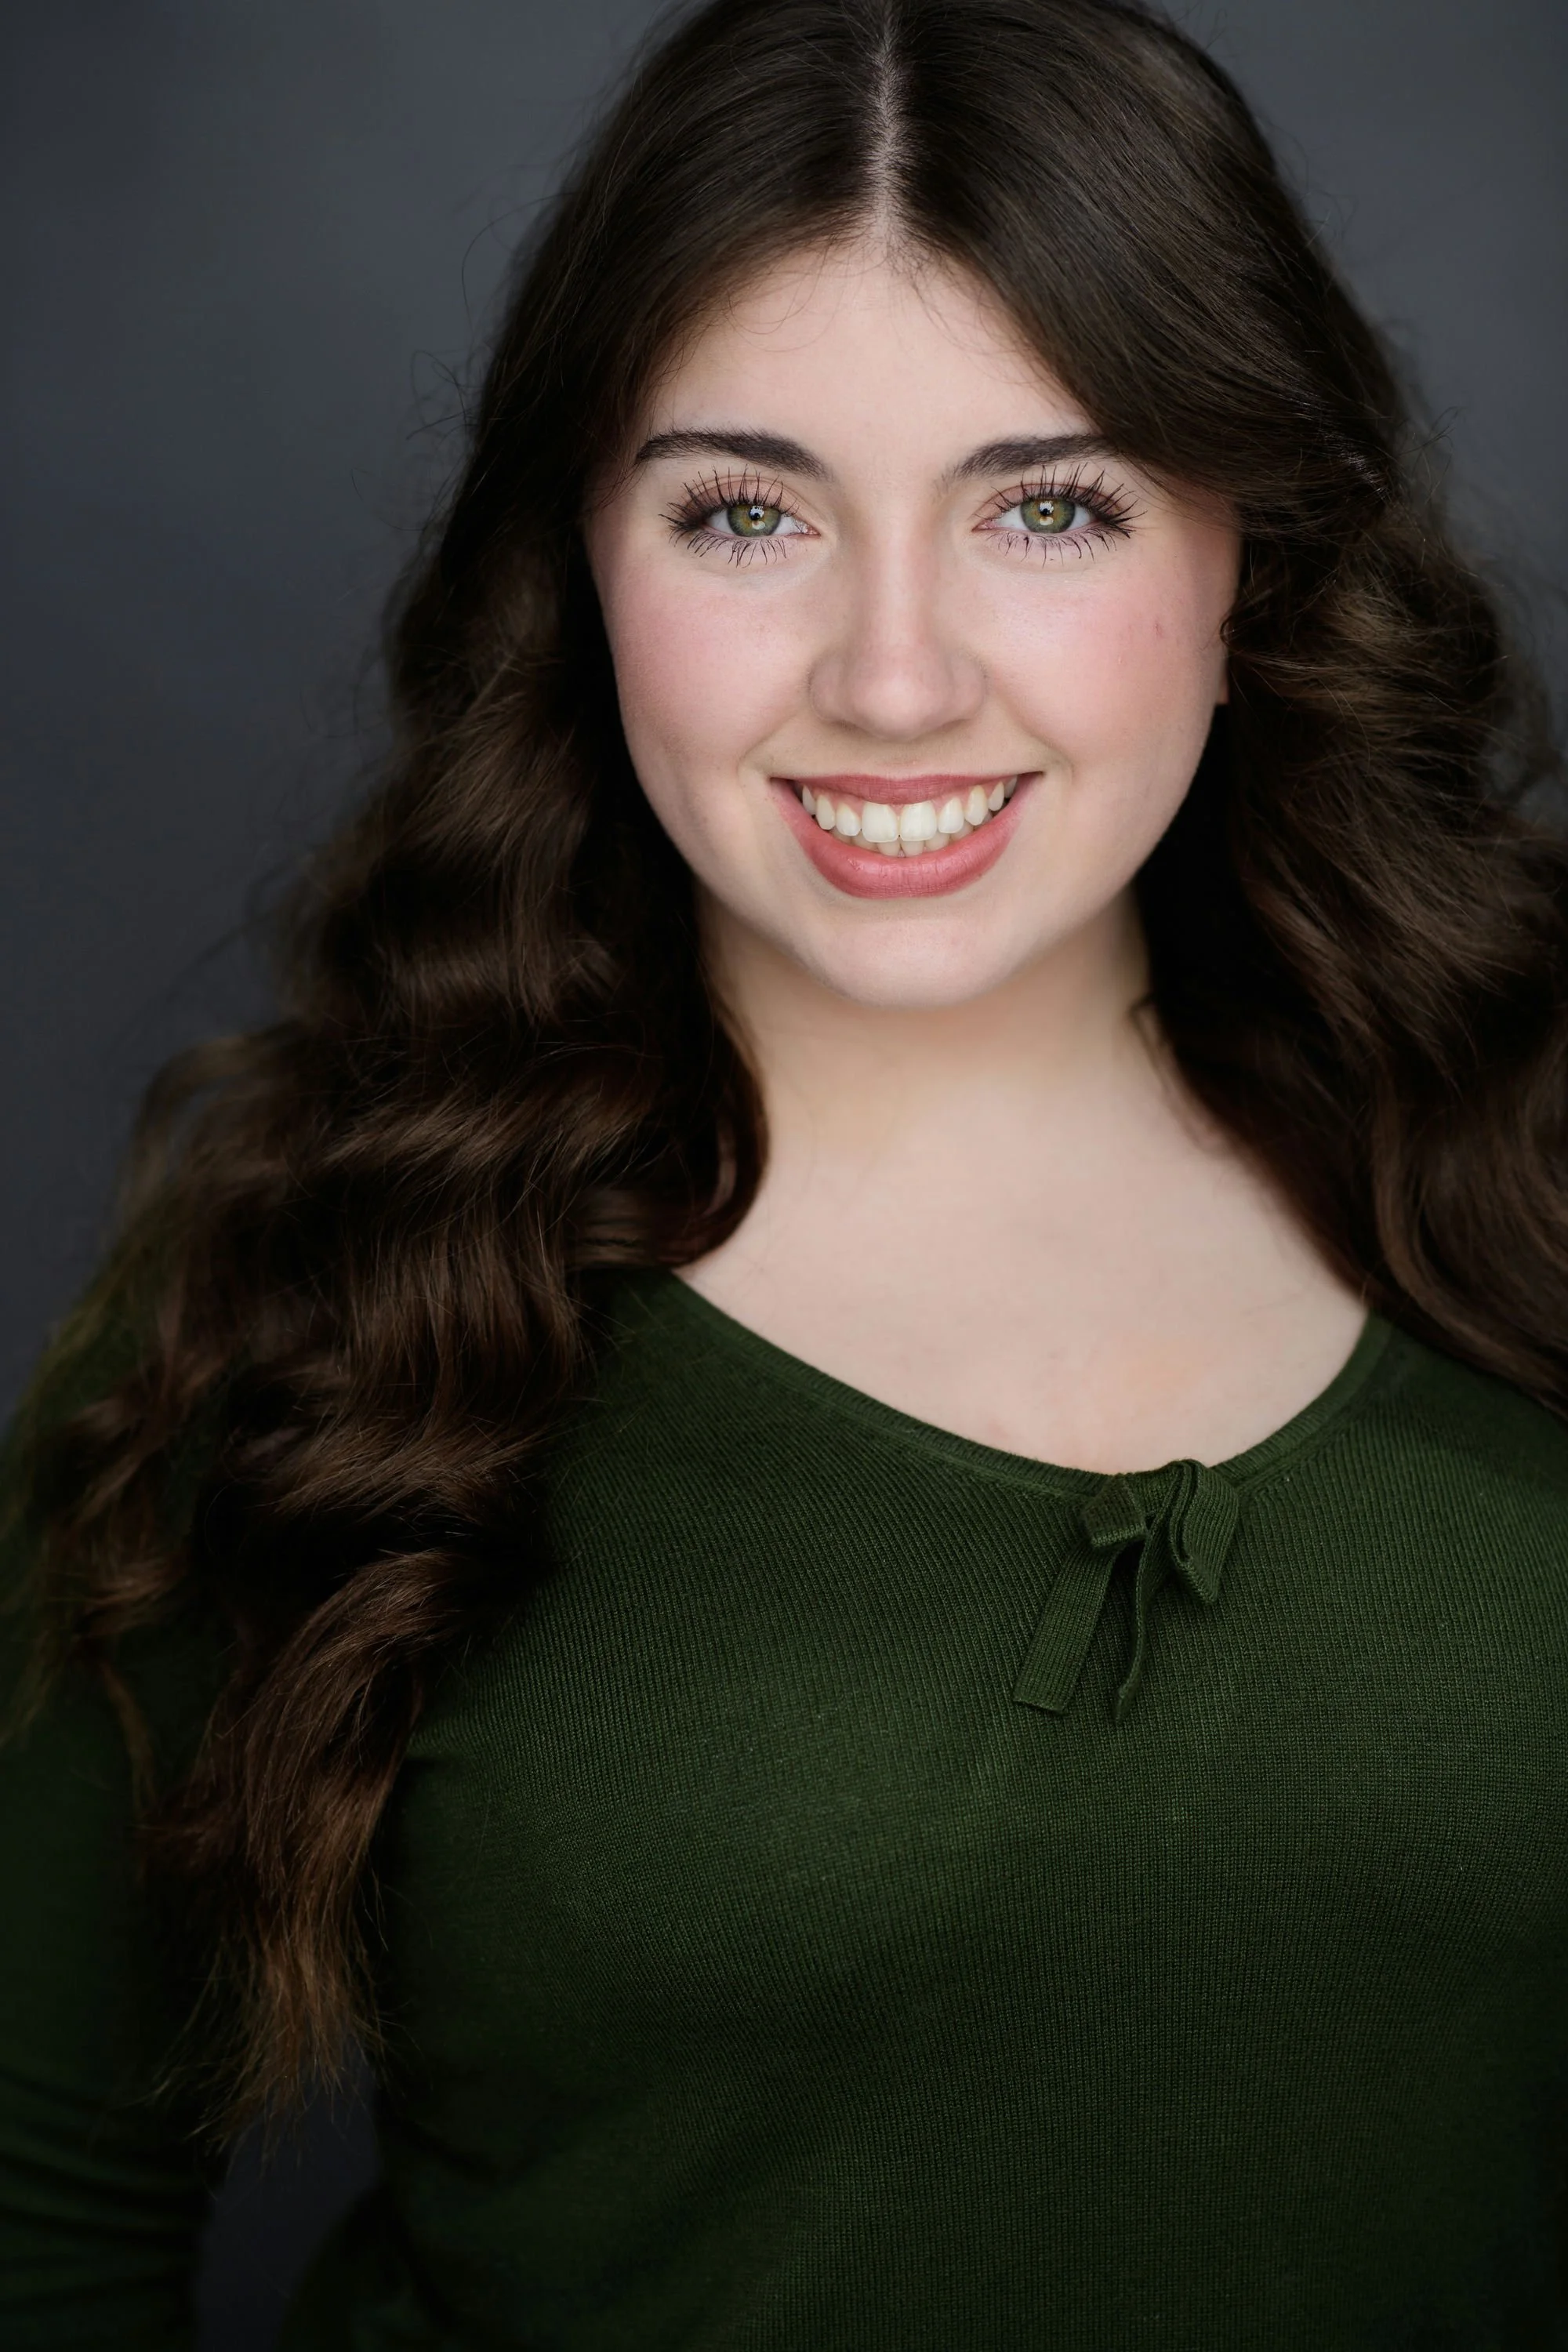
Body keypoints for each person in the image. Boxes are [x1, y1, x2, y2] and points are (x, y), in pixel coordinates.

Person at [3, 0, 1566, 2342]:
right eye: (747, 513)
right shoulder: (317, 1276)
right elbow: (41, 2215)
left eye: (1053, 504)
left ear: (1256, 543)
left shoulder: (1529, 1162)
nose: (898, 676)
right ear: (584, 562)